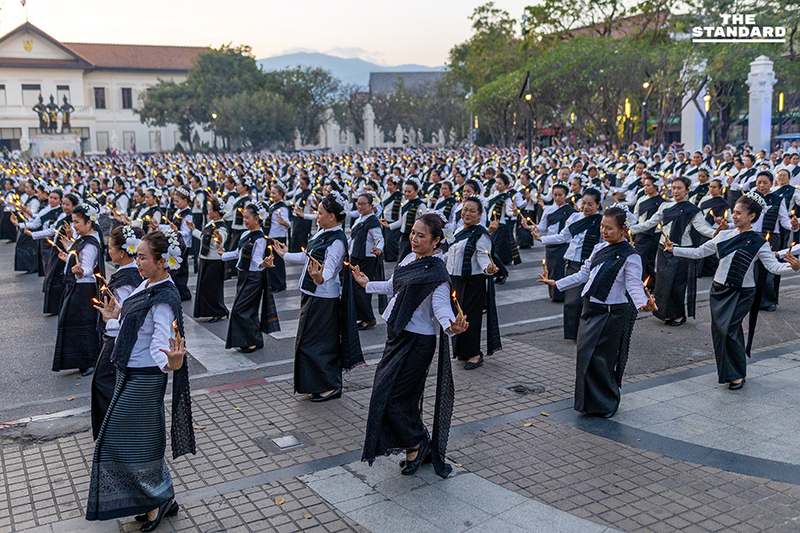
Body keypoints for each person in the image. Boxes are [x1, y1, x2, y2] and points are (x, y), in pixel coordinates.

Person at [87, 230, 195, 531]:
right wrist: (114, 319)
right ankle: (160, 499)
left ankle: (157, 499)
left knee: (121, 442)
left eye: (143, 257)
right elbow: (132, 324)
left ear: (163, 261)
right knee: (139, 443)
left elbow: (160, 342)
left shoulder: (163, 298)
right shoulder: (147, 284)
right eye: (137, 256)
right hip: (130, 373)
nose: (137, 262)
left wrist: (171, 362)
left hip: (145, 379)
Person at [356, 213, 468, 477]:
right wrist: (366, 283)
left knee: (395, 398)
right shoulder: (409, 259)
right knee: (389, 395)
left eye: (421, 236)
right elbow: (395, 285)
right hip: (396, 336)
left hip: (417, 342)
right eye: (413, 233)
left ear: (437, 240)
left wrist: (452, 325)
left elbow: (441, 306)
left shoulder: (437, 273)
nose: (414, 239)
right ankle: (418, 443)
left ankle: (417, 443)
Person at [665, 193, 800, 389]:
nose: (734, 217)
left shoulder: (758, 241)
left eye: (738, 213)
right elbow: (699, 252)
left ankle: (737, 374)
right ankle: (729, 372)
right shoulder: (723, 235)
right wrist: (674, 249)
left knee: (730, 330)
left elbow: (773, 267)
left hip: (742, 293)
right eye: (733, 213)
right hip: (718, 290)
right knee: (721, 332)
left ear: (751, 216)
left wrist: (794, 267)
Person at [539, 206, 657, 417]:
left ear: (623, 229)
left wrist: (643, 304)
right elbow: (583, 275)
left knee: (602, 360)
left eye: (609, 228)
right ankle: (589, 404)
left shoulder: (631, 256)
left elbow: (633, 285)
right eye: (602, 226)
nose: (604, 231)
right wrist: (557, 283)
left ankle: (606, 404)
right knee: (585, 356)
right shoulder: (599, 248)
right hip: (590, 309)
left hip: (611, 314)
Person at [272, 191, 363, 402]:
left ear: (331, 216)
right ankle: (316, 384)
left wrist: (320, 278)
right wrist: (284, 254)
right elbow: (307, 258)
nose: (317, 216)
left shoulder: (337, 241)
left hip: (323, 299)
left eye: (320, 213)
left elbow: (330, 270)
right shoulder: (322, 233)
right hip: (312, 294)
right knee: (309, 342)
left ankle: (330, 386)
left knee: (319, 344)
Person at [629, 177, 717, 326]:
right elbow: (649, 224)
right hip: (663, 249)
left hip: (682, 251)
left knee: (677, 285)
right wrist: (629, 230)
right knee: (663, 283)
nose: (675, 191)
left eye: (679, 188)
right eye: (673, 188)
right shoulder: (665, 206)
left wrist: (717, 232)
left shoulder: (693, 210)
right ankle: (663, 313)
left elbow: (703, 228)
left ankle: (678, 315)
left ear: (687, 191)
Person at [90, 225, 144, 439]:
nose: (108, 251)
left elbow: (126, 316)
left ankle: (112, 432)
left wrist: (110, 321)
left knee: (104, 383)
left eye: (110, 248)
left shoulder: (125, 281)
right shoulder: (131, 274)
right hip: (120, 338)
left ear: (122, 252)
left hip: (117, 340)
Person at [531, 188, 603, 340]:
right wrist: (541, 239)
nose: (586, 207)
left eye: (590, 204)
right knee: (572, 301)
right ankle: (573, 333)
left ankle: (587, 333)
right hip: (572, 263)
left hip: (592, 265)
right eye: (584, 203)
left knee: (587, 301)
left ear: (598, 204)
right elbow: (563, 237)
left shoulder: (601, 221)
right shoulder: (575, 217)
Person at [446, 197, 500, 369]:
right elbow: (451, 255)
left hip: (472, 282)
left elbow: (484, 257)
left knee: (470, 318)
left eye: (472, 211)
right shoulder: (458, 230)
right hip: (455, 280)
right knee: (457, 316)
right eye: (465, 210)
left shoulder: (481, 234)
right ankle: (462, 351)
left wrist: (489, 269)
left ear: (480, 214)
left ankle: (475, 354)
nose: (467, 214)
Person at [52, 203, 105, 376]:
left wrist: (81, 271)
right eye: (73, 222)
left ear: (89, 222)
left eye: (77, 222)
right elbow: (77, 259)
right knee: (75, 325)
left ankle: (89, 361)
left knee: (84, 326)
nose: (74, 226)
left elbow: (87, 267)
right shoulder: (85, 238)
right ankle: (82, 360)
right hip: (78, 287)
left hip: (84, 290)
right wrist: (68, 256)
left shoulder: (90, 243)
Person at [220, 203, 274, 353]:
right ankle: (253, 340)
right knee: (247, 309)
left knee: (240, 309)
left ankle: (253, 340)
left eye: (247, 217)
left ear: (256, 218)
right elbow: (238, 253)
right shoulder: (245, 234)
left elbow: (256, 258)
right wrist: (223, 255)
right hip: (243, 275)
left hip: (254, 277)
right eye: (243, 217)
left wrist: (262, 264)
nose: (244, 220)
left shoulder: (260, 238)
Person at [523, 182, 573, 302]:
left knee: (562, 270)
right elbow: (542, 226)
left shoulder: (571, 212)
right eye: (555, 195)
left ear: (565, 195)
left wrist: (541, 238)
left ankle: (562, 294)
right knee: (552, 269)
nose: (557, 198)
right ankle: (554, 295)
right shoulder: (548, 209)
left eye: (560, 195)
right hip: (551, 244)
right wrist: (529, 227)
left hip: (564, 244)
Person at [188, 197, 228, 322]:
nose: (208, 211)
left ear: (216, 213)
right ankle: (211, 311)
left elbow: (220, 243)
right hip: (205, 259)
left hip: (214, 261)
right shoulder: (211, 224)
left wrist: (219, 239)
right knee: (205, 287)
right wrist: (193, 230)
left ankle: (219, 311)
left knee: (212, 289)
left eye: (210, 210)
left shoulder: (221, 227)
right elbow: (203, 237)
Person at [348, 192, 384, 330]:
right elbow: (353, 239)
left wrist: (378, 248)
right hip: (356, 256)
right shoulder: (359, 219)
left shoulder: (372, 221)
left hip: (366, 258)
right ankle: (364, 317)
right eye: (358, 203)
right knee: (355, 288)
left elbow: (379, 239)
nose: (360, 206)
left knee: (361, 289)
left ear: (370, 205)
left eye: (363, 204)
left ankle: (368, 318)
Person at [381, 177, 427, 261]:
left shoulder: (420, 205)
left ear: (416, 191)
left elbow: (423, 223)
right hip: (404, 236)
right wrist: (389, 226)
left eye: (409, 191)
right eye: (405, 191)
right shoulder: (405, 203)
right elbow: (401, 221)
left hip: (415, 236)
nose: (407, 194)